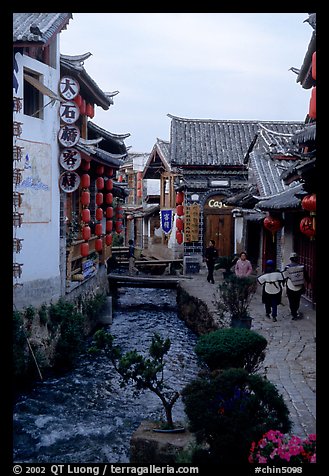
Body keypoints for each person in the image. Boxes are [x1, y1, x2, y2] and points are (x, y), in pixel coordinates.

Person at [282, 252, 309, 320]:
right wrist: (308, 282)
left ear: (290, 259)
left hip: (290, 286)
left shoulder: (287, 267)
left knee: (291, 300)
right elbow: (306, 276)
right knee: (297, 300)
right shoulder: (301, 267)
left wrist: (282, 283)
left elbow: (284, 276)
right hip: (299, 286)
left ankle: (293, 313)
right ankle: (295, 311)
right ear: (297, 259)